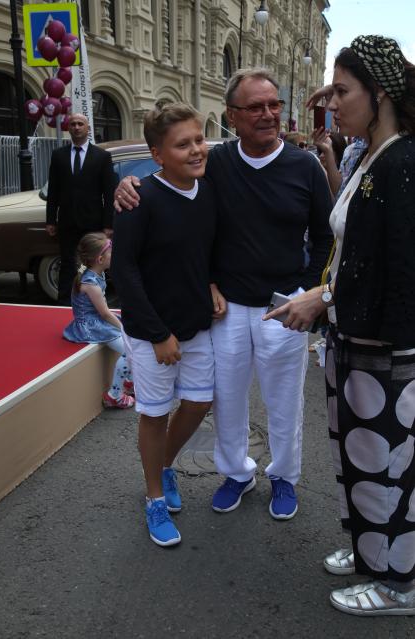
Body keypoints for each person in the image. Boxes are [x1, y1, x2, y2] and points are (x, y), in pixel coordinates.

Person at [114, 69, 333, 521]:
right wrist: (125, 185)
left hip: (283, 304)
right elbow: (172, 180)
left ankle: (284, 476)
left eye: (273, 104)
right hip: (227, 307)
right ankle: (236, 473)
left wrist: (306, 290)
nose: (268, 114)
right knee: (226, 400)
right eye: (255, 107)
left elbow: (325, 234)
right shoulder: (216, 162)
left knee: (284, 401)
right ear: (232, 116)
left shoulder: (304, 166)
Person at [265, 35, 415, 616]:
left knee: (388, 464)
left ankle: (398, 583)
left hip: (386, 349)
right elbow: (353, 249)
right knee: (357, 457)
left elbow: (395, 267)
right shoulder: (369, 155)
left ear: (380, 94)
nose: (331, 103)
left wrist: (324, 299)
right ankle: (372, 553)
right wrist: (327, 299)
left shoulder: (402, 161)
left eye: (342, 91)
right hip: (354, 339)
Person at [110, 103, 224, 547]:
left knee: (198, 403)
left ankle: (163, 465)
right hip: (151, 332)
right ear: (157, 154)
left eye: (198, 140)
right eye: (183, 144)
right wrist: (158, 335)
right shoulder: (139, 200)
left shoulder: (207, 191)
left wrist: (211, 284)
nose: (196, 150)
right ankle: (154, 496)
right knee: (154, 415)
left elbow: (203, 251)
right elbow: (125, 272)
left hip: (196, 325)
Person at [46, 113, 117, 305]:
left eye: (80, 124)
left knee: (94, 264)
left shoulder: (102, 156)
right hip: (67, 222)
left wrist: (108, 224)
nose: (76, 127)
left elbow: (109, 193)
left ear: (88, 128)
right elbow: (53, 190)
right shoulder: (59, 155)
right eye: (73, 124)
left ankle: (94, 303)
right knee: (68, 264)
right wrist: (51, 220)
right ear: (68, 128)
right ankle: (64, 304)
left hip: (93, 222)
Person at [63, 232, 134, 409]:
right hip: (91, 326)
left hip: (96, 319)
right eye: (111, 253)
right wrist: (123, 328)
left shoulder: (95, 274)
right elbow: (104, 314)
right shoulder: (90, 284)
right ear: (100, 259)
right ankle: (114, 395)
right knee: (130, 350)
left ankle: (129, 380)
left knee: (133, 338)